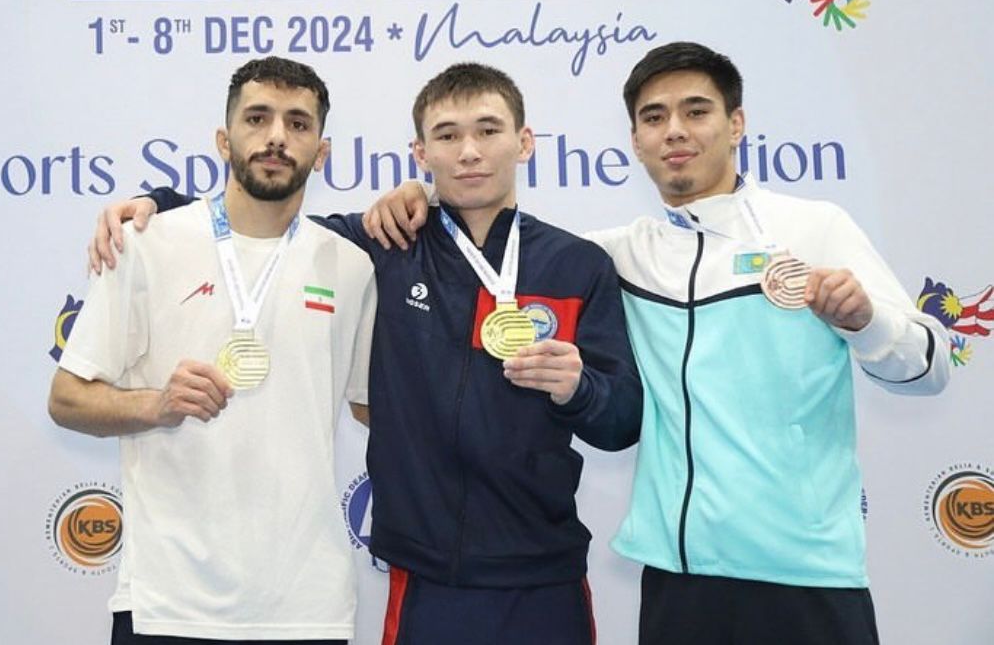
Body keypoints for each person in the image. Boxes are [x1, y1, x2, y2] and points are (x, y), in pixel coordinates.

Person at [361, 42, 950, 645]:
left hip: (804, 570)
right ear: (636, 141)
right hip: (678, 574)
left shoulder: (813, 227)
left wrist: (865, 322)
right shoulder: (616, 254)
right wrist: (423, 196)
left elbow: (929, 367)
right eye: (654, 117)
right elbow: (498, 240)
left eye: (696, 111)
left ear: (736, 123)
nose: (674, 131)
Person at [90, 63, 643, 645]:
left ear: (524, 142)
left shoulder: (578, 265)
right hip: (424, 574)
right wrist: (156, 203)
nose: (469, 151)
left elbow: (622, 421)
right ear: (421, 153)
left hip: (544, 571)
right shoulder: (383, 245)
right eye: (448, 135)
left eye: (488, 130)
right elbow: (260, 222)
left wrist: (579, 388)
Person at [49, 56, 378, 645]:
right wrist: (156, 405)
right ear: (224, 140)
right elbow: (67, 399)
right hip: (169, 603)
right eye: (257, 118)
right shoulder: (145, 243)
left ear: (321, 152)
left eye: (298, 123)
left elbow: (373, 409)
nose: (276, 137)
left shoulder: (352, 266)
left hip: (306, 605)